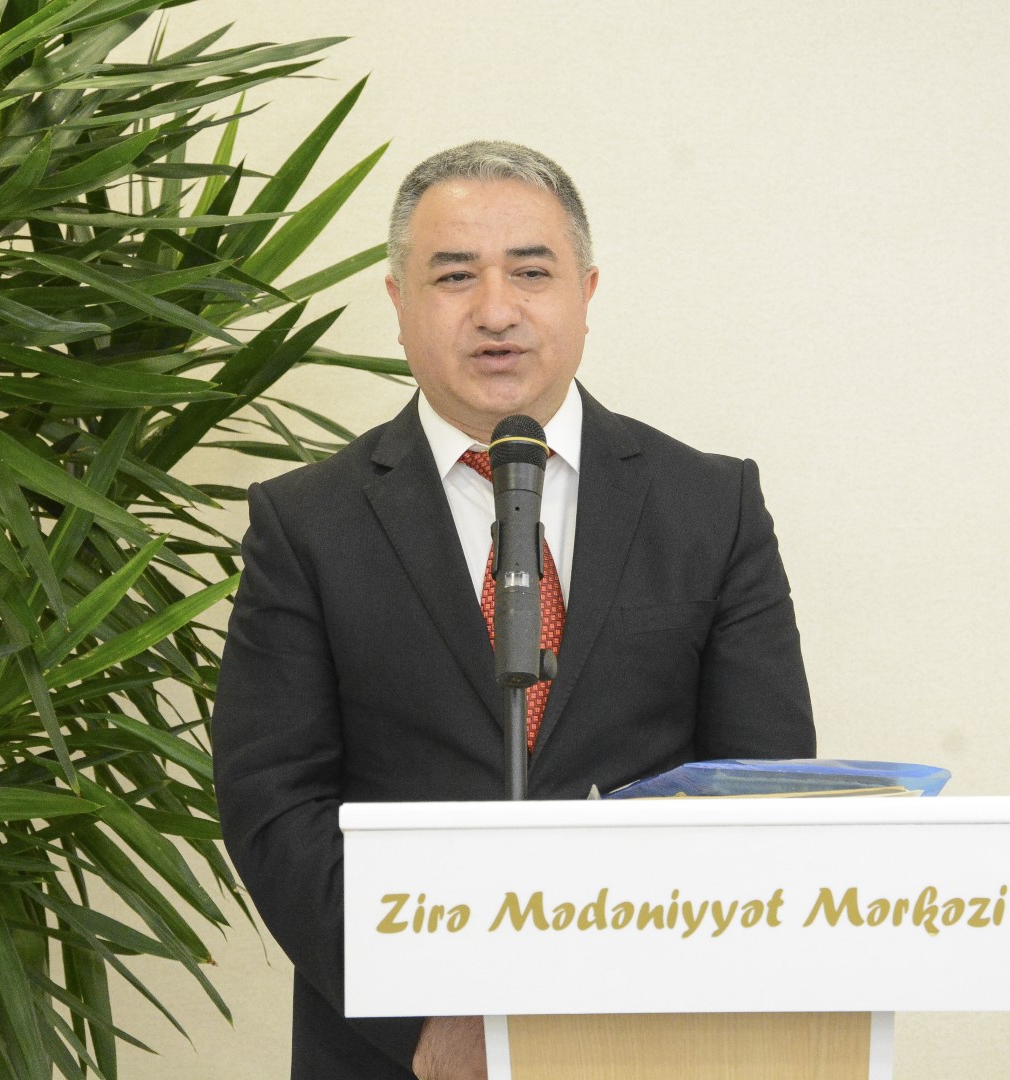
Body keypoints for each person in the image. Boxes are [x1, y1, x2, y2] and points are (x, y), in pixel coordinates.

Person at [212, 141, 815, 1080]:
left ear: (586, 293)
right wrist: (425, 1023)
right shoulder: (306, 524)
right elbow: (273, 803)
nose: (496, 310)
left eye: (532, 273)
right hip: (395, 1055)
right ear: (399, 303)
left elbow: (761, 787)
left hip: (655, 1038)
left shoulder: (711, 506)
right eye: (455, 276)